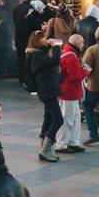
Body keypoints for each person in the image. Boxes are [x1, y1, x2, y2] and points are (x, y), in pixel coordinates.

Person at [27, 29, 63, 163]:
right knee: (58, 120)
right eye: (43, 38)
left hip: (47, 90)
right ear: (37, 41)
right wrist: (56, 46)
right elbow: (54, 60)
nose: (45, 39)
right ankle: (46, 149)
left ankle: (43, 147)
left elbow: (46, 57)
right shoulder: (36, 57)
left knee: (48, 119)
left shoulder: (37, 54)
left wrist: (48, 44)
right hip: (47, 90)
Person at [53, 33, 87, 155]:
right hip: (69, 92)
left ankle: (73, 141)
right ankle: (61, 144)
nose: (83, 45)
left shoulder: (65, 52)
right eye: (82, 42)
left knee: (75, 118)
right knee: (68, 119)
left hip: (67, 91)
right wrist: (86, 71)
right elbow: (75, 76)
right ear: (78, 43)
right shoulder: (72, 57)